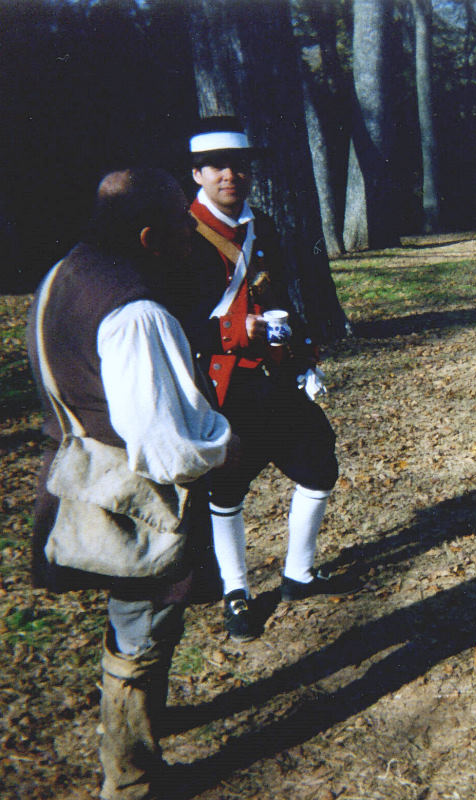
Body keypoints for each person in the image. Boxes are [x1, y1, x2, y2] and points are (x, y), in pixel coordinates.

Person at [27, 168, 234, 799]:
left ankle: (150, 720)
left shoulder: (63, 274)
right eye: (180, 222)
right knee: (140, 629)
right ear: (148, 236)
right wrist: (225, 441)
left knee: (138, 619)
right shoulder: (135, 311)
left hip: (80, 474)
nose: (190, 231)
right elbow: (166, 443)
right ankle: (131, 777)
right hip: (130, 499)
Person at [172, 116, 346, 643]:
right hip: (217, 383)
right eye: (218, 166)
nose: (231, 175)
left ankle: (298, 574)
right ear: (198, 173)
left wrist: (299, 347)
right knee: (228, 487)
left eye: (239, 166)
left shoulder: (260, 226)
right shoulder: (181, 233)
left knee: (318, 461)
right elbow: (172, 320)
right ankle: (236, 592)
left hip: (270, 374)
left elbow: (274, 296)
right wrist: (234, 328)